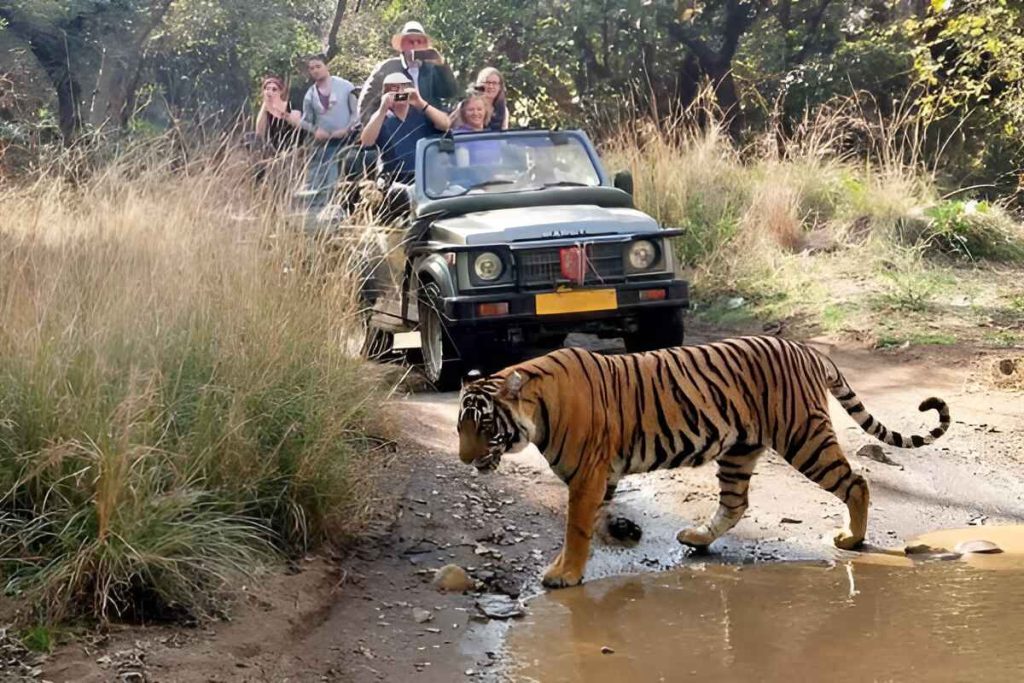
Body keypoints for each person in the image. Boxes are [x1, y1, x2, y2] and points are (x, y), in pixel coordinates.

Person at [356, 20, 458, 126]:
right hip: (397, 131)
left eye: (419, 42)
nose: (415, 45)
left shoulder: (432, 68)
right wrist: (376, 131)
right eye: (410, 42)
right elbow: (366, 105)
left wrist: (442, 66)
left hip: (430, 130)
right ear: (402, 46)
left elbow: (450, 93)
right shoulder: (387, 68)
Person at [360, 72, 450, 183]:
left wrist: (420, 102)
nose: (400, 93)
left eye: (403, 88)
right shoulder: (381, 118)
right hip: (395, 179)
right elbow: (366, 142)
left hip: (425, 176)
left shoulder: (423, 113)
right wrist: (383, 108)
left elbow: (445, 125)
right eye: (394, 90)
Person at [300, 54, 358, 194]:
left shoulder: (346, 86)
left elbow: (356, 113)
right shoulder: (310, 94)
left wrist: (347, 129)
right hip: (324, 144)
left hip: (348, 140)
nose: (315, 70)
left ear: (327, 66)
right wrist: (315, 131)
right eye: (312, 68)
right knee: (320, 171)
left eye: (318, 66)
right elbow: (305, 121)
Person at [254, 76, 303, 152]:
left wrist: (280, 111)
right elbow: (259, 133)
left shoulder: (290, 105)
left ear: (280, 92)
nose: (270, 92)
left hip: (291, 147)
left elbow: (299, 123)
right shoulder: (266, 110)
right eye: (267, 89)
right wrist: (265, 105)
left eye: (274, 89)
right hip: (273, 147)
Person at [450, 93, 501, 165]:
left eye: (479, 109)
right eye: (471, 110)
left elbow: (499, 164)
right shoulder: (460, 136)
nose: (475, 113)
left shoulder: (491, 136)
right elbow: (463, 169)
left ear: (486, 111)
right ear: (464, 113)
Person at [474, 67, 510, 131]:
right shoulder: (468, 105)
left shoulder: (504, 111)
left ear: (500, 87)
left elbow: (503, 136)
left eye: (494, 83)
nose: (491, 86)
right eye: (487, 82)